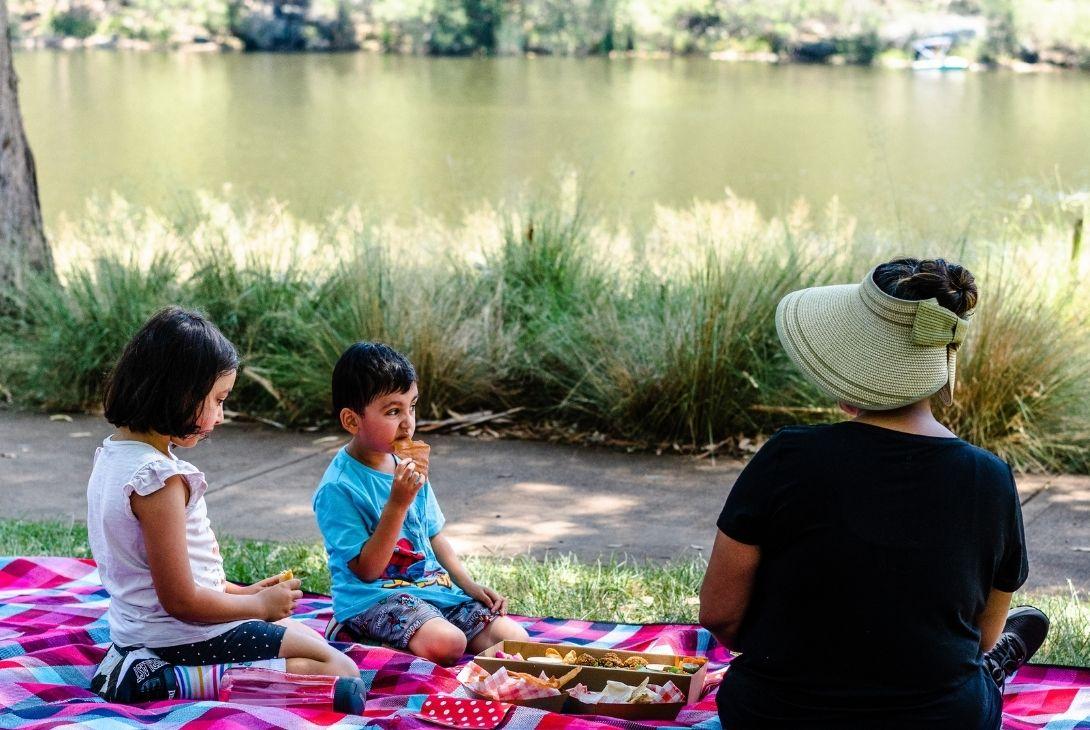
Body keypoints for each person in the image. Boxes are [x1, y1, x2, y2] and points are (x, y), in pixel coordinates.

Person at [699, 259, 1049, 729]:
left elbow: (720, 614)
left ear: (852, 373)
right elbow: (980, 637)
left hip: (776, 715)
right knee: (977, 668)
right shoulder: (990, 478)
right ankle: (994, 674)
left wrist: (793, 655)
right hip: (937, 722)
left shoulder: (788, 456)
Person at [87, 307, 360, 705]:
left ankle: (139, 663)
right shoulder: (157, 480)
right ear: (179, 391)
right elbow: (179, 600)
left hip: (141, 630)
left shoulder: (114, 457)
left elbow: (159, 575)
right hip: (180, 636)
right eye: (218, 400)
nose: (220, 415)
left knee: (306, 638)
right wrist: (256, 607)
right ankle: (168, 681)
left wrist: (242, 594)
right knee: (339, 671)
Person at [313, 342, 529, 665]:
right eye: (392, 411)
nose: (408, 422)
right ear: (352, 420)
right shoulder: (337, 488)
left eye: (411, 407)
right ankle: (355, 636)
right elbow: (369, 570)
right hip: (375, 598)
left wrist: (469, 585)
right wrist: (398, 503)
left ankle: (418, 635)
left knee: (515, 641)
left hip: (434, 591)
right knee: (449, 644)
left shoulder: (406, 463)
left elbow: (434, 536)